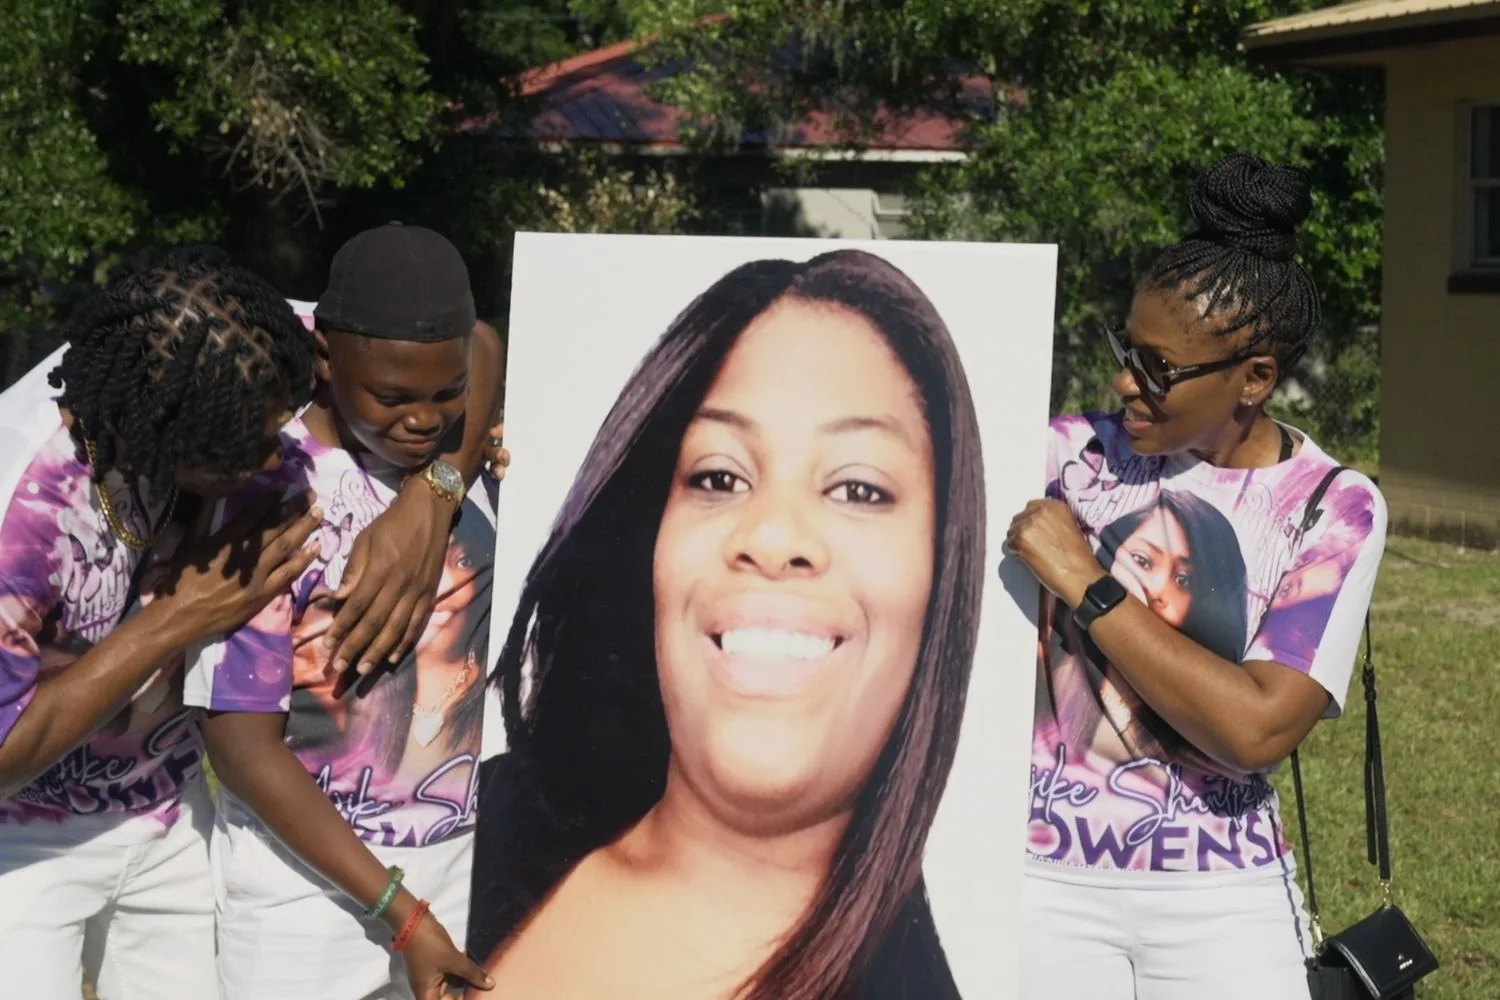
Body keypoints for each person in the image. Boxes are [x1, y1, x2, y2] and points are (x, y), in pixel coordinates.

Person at [468, 249, 985, 999]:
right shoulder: (480, 831)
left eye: (859, 488)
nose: (773, 539)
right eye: (718, 477)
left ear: (944, 570)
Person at [1007, 153, 1388, 1000]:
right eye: (1126, 351)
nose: (1124, 383)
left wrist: (1089, 582)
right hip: (1039, 885)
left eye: (1158, 369)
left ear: (1254, 379)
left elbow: (1254, 730)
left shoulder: (1330, 507)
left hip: (1223, 895)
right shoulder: (1067, 456)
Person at [0, 245, 327, 999]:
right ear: (160, 426)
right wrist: (176, 618)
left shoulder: (236, 347)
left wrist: (435, 489)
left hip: (168, 811)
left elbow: (454, 335)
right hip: (22, 841)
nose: (271, 452)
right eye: (241, 444)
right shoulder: (23, 505)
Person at [185, 224, 497, 1000]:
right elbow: (242, 749)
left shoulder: (458, 465)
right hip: (306, 910)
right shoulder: (271, 496)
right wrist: (404, 915)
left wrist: (443, 486)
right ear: (324, 358)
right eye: (391, 397)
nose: (424, 420)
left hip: (459, 880)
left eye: (445, 392)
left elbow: (487, 341)